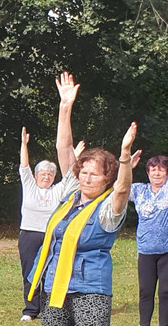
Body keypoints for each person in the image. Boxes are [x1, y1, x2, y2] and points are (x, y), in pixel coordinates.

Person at [26, 71, 137, 326]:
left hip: (90, 290)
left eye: (94, 174)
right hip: (54, 285)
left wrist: (125, 155)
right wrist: (65, 107)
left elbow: (122, 189)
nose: (86, 178)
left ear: (107, 178)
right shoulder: (70, 195)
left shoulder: (108, 207)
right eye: (83, 172)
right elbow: (63, 148)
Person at [18, 88, 80, 322]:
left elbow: (71, 173)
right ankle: (30, 309)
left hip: (52, 235)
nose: (45, 176)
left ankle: (51, 306)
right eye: (42, 173)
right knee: (30, 272)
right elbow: (24, 166)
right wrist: (24, 144)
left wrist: (76, 153)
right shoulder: (30, 186)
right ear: (36, 176)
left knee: (51, 271)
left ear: (54, 177)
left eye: (49, 173)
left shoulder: (59, 190)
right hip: (29, 234)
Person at [128, 152, 168, 326]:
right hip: (145, 251)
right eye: (153, 169)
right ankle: (144, 323)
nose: (156, 173)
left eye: (161, 169)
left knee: (166, 291)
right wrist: (127, 167)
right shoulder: (139, 190)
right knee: (146, 291)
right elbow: (118, 187)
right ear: (148, 172)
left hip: (166, 250)